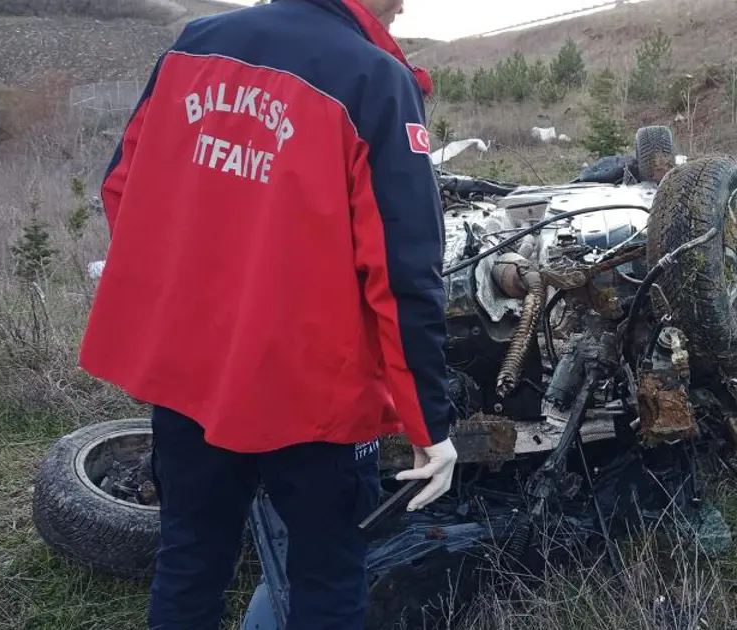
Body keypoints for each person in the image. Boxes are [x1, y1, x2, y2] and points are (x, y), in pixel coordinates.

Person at [77, 0, 459, 628]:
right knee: (327, 576)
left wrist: (195, 296)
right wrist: (429, 426)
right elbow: (403, 274)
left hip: (191, 373)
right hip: (314, 393)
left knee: (190, 559)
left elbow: (123, 185)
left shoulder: (195, 43)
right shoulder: (373, 80)